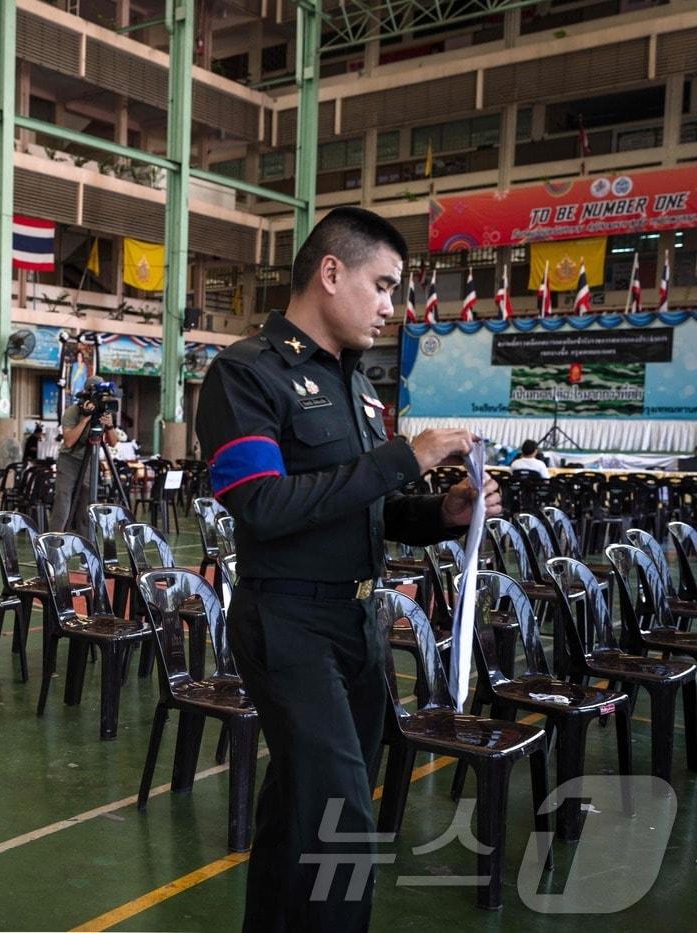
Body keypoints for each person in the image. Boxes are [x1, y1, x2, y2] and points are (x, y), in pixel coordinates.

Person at [195, 206, 502, 932]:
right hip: (288, 621)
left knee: (303, 803)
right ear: (331, 272)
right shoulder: (246, 374)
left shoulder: (358, 386)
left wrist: (443, 515)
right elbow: (263, 506)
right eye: (385, 286)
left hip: (356, 623)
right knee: (344, 818)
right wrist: (408, 455)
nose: (393, 308)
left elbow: (370, 508)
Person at [48, 399, 113, 538]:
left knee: (87, 506)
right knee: (63, 501)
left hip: (90, 460)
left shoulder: (103, 412)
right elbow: (69, 441)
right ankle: (54, 543)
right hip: (69, 460)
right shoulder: (73, 412)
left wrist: (110, 426)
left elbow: (113, 442)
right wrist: (84, 419)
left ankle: (87, 546)